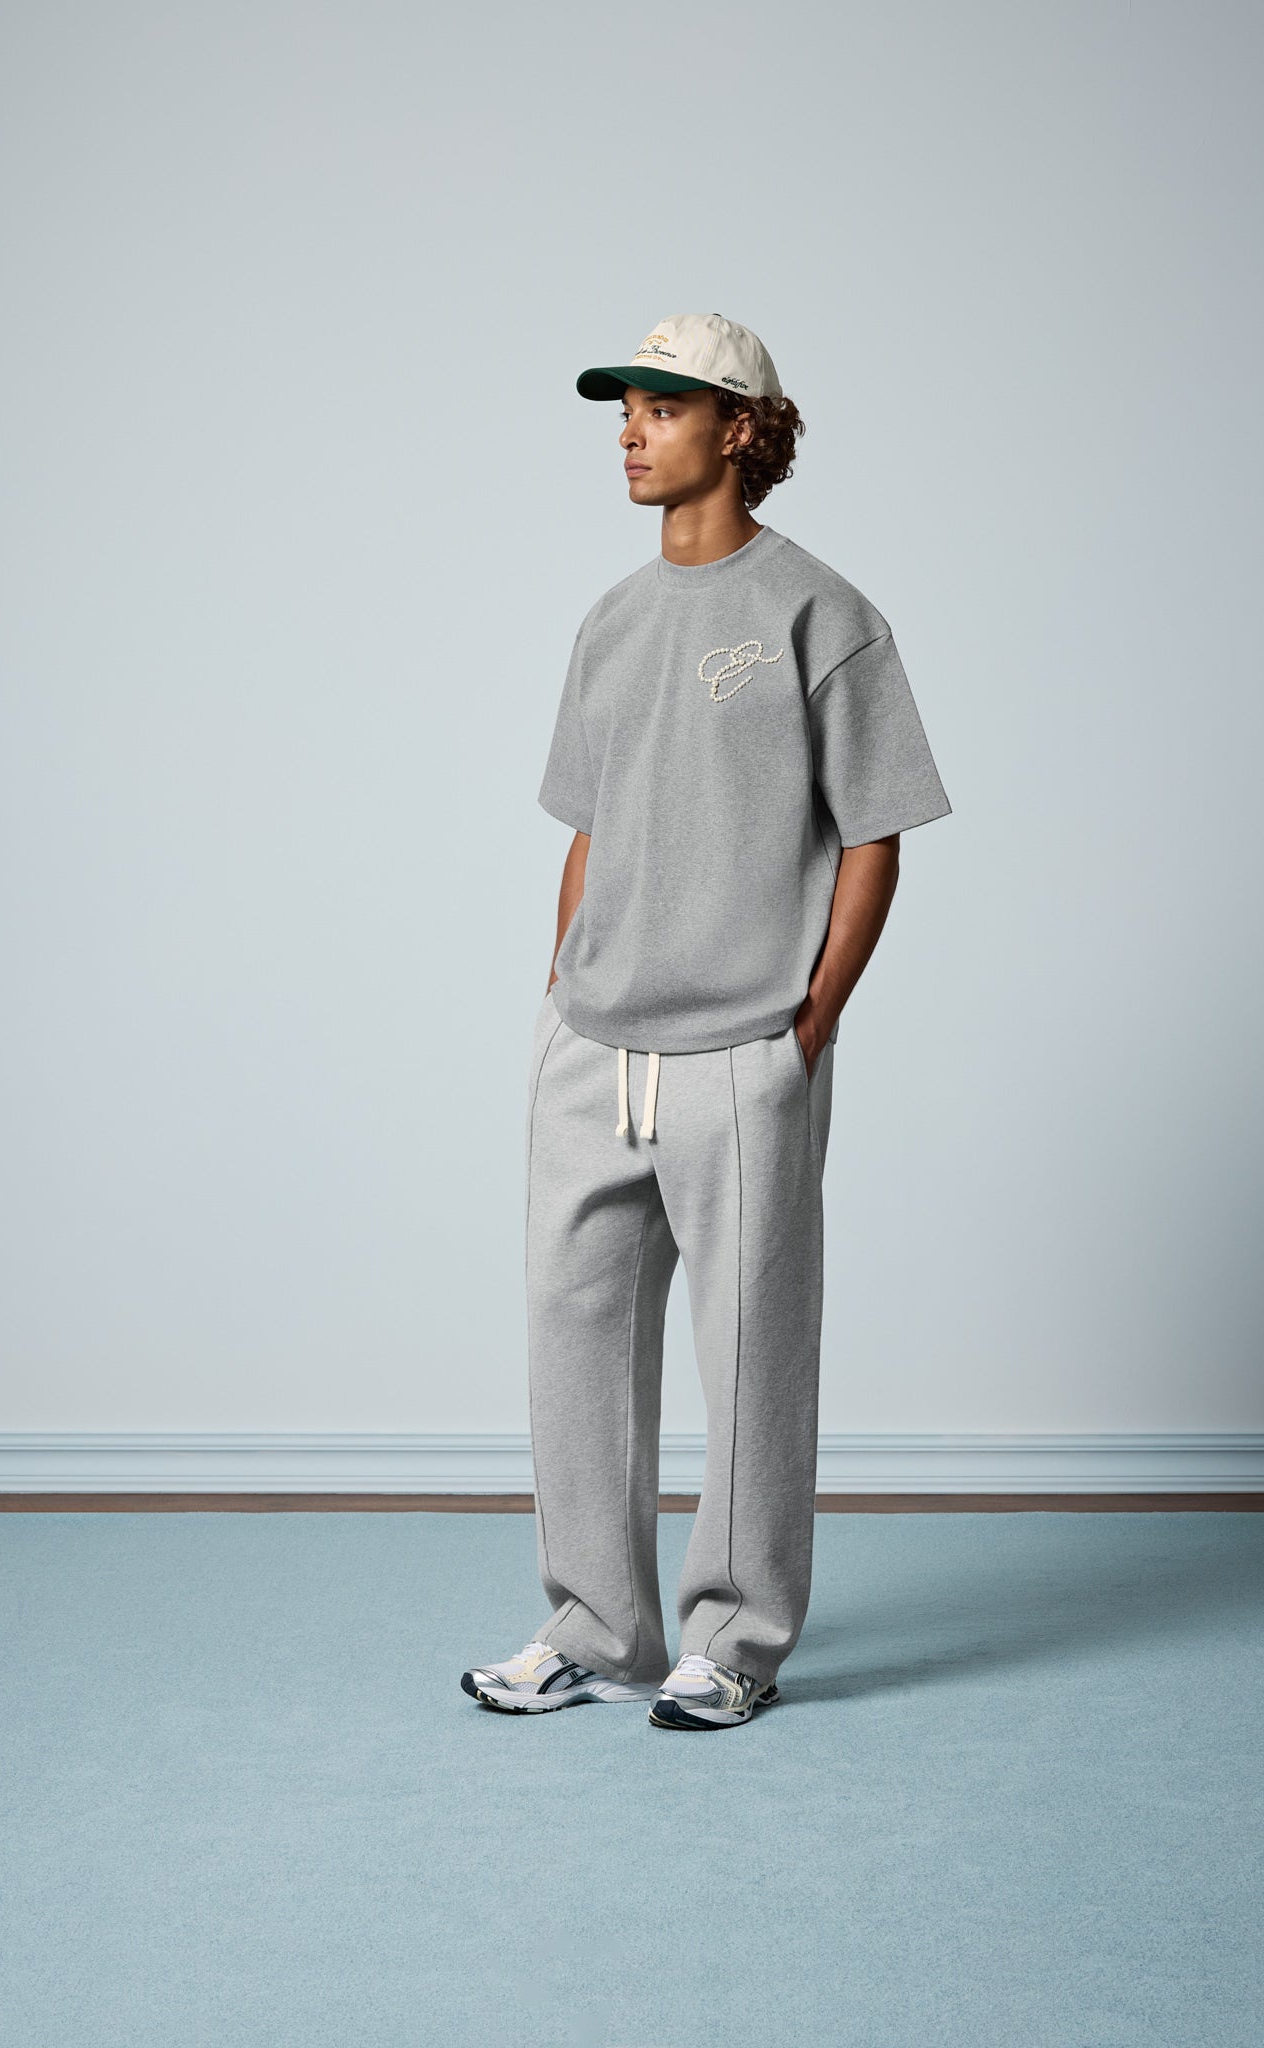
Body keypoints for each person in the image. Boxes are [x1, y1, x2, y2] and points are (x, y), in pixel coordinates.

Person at [461, 313, 952, 1731]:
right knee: (573, 1352)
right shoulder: (610, 620)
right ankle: (593, 1627)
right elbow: (591, 824)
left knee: (751, 1357)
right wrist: (562, 984)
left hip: (744, 1051)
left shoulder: (821, 614)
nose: (629, 430)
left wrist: (809, 1025)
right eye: (623, 407)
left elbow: (875, 835)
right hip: (592, 1047)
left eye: (663, 407)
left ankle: (734, 1642)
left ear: (740, 428)